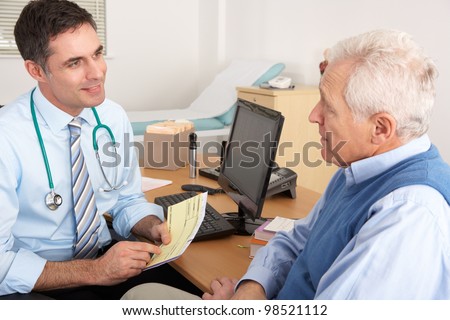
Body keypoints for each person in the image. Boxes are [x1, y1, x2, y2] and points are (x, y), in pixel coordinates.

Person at [121, 29, 450, 300]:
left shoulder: (408, 215)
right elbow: (295, 240)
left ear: (380, 128)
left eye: (328, 107)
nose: (313, 116)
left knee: (142, 296)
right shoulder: (355, 171)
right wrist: (251, 290)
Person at [0, 0, 201, 300]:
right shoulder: (7, 137)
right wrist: (96, 272)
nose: (97, 73)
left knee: (199, 294)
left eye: (97, 54)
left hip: (103, 259)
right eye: (75, 62)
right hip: (35, 280)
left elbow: (126, 198)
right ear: (36, 70)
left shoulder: (110, 116)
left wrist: (151, 224)